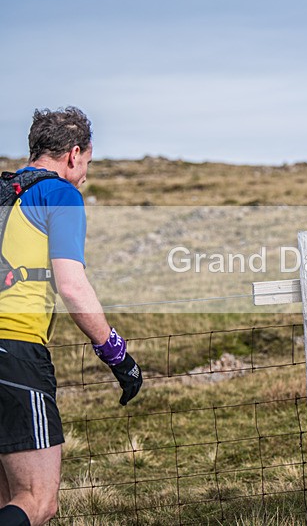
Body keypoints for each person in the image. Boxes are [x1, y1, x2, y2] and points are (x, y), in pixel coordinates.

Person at [0, 107, 142, 526]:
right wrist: (118, 357)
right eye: (88, 165)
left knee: (8, 498)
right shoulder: (60, 194)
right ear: (73, 154)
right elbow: (72, 286)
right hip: (15, 349)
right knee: (38, 501)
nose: (85, 175)